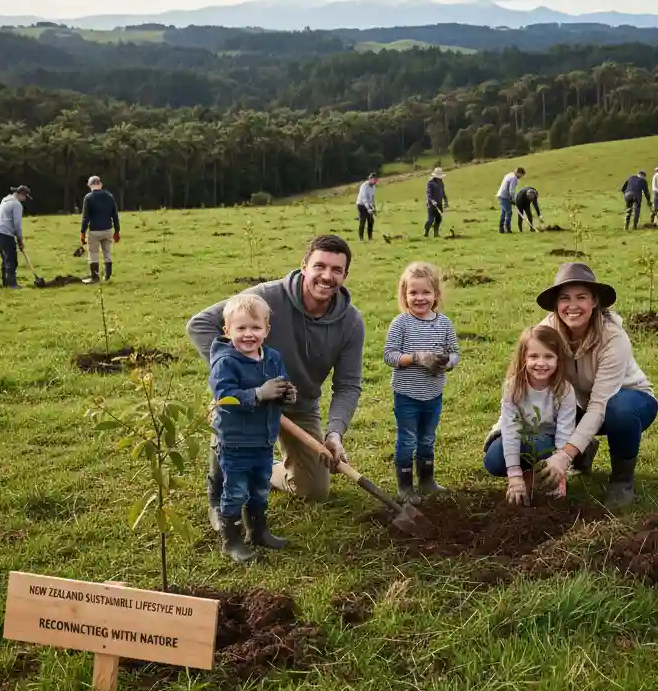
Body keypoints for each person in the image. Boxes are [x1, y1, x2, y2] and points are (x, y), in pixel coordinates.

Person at [186, 235, 365, 529]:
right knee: (230, 425)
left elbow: (348, 385)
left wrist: (334, 434)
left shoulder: (351, 322)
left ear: (345, 276)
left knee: (315, 491)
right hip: (246, 398)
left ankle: (269, 470)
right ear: (304, 266)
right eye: (319, 266)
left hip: (298, 405)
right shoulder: (267, 297)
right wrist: (238, 375)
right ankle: (217, 498)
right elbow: (200, 325)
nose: (326, 276)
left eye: (336, 270)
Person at [534, 263, 658, 509]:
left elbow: (600, 405)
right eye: (565, 298)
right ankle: (584, 449)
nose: (572, 306)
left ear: (594, 302)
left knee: (619, 409)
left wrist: (564, 455)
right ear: (556, 305)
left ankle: (622, 480)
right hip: (578, 404)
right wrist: (500, 428)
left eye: (581, 297)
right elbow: (525, 385)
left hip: (628, 400)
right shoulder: (546, 331)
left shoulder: (613, 337)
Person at [208, 293, 297, 563]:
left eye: (256, 328)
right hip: (235, 441)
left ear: (266, 330)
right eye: (241, 328)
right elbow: (225, 397)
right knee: (235, 491)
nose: (249, 334)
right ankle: (231, 541)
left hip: (264, 438)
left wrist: (287, 393)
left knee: (260, 487)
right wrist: (258, 393)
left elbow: (282, 383)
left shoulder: (272, 358)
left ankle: (257, 531)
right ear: (227, 330)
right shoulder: (226, 362)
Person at [383, 262, 460, 502]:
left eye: (426, 292)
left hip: (433, 394)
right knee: (408, 439)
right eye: (413, 292)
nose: (419, 298)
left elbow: (455, 352)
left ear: (436, 295)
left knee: (427, 438)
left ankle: (427, 481)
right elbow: (390, 355)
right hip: (406, 395)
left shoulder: (444, 323)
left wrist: (447, 362)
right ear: (404, 296)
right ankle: (405, 486)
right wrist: (415, 358)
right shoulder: (401, 323)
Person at [482, 325, 577, 505]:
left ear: (559, 359)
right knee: (494, 459)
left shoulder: (564, 390)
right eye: (534, 356)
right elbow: (510, 430)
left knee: (540, 446)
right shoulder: (514, 387)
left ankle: (545, 475)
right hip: (515, 435)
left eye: (548, 356)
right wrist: (514, 475)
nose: (541, 363)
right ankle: (526, 475)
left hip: (547, 439)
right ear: (523, 358)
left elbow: (564, 431)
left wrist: (559, 471)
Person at [80, 175, 121, 283]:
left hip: (94, 230)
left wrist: (82, 232)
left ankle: (95, 277)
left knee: (93, 253)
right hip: (108, 229)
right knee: (107, 252)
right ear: (100, 184)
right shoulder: (109, 196)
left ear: (90, 185)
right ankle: (107, 276)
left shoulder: (88, 198)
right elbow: (115, 215)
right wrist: (117, 231)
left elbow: (85, 217)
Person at [0, 185, 31, 289]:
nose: (25, 199)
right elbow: (17, 224)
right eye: (25, 196)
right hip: (5, 233)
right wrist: (20, 239)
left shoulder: (5, 200)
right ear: (21, 194)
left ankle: (6, 282)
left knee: (5, 258)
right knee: (11, 259)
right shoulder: (16, 204)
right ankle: (12, 284)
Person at [496, 167, 525, 234]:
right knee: (509, 212)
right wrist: (513, 199)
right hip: (504, 196)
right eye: (521, 175)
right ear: (519, 173)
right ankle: (508, 228)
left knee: (504, 212)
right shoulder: (514, 178)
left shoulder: (510, 174)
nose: (521, 177)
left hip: (501, 195)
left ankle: (501, 228)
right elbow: (511, 190)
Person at [424, 166, 448, 238]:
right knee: (430, 220)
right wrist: (431, 200)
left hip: (439, 204)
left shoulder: (441, 183)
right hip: (431, 204)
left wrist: (446, 201)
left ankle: (436, 233)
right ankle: (426, 232)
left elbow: (443, 192)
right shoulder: (430, 183)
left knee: (439, 219)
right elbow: (428, 193)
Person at [355, 173, 378, 241]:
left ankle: (370, 237)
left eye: (376, 180)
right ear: (370, 179)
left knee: (371, 221)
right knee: (363, 221)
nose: (375, 181)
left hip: (369, 205)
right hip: (361, 205)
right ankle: (361, 238)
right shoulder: (364, 186)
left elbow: (372, 197)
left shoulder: (373, 187)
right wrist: (368, 208)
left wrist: (374, 207)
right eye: (374, 180)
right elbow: (364, 198)